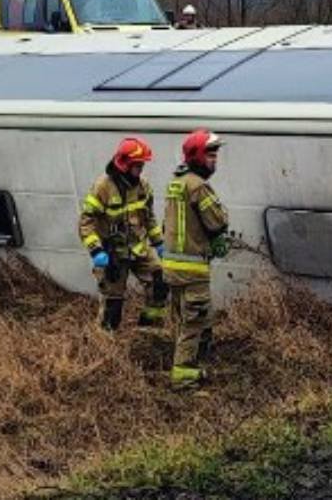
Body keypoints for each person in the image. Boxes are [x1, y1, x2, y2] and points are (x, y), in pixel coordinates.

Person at [163, 128, 230, 389]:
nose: (215, 159)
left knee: (183, 318)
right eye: (210, 154)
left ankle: (198, 361)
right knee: (196, 319)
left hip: (172, 267)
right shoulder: (198, 186)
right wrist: (217, 236)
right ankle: (183, 374)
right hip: (192, 268)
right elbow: (217, 222)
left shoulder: (176, 183)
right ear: (196, 156)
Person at [77, 138, 167, 331]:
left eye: (142, 164)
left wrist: (159, 242)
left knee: (160, 284)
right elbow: (86, 223)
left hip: (139, 248)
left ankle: (148, 331)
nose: (141, 169)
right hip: (113, 254)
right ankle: (105, 345)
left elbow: (149, 217)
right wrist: (96, 251)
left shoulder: (143, 186)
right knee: (113, 305)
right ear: (124, 164)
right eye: (138, 165)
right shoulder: (103, 187)